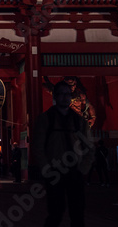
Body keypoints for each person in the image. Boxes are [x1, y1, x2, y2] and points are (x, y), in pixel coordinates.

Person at [32, 81, 94, 227]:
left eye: (68, 94)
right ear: (55, 96)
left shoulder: (79, 121)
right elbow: (38, 146)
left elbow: (90, 147)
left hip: (75, 171)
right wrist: (46, 168)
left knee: (78, 213)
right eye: (61, 94)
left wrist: (83, 168)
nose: (65, 97)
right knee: (55, 212)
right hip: (55, 171)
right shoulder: (45, 119)